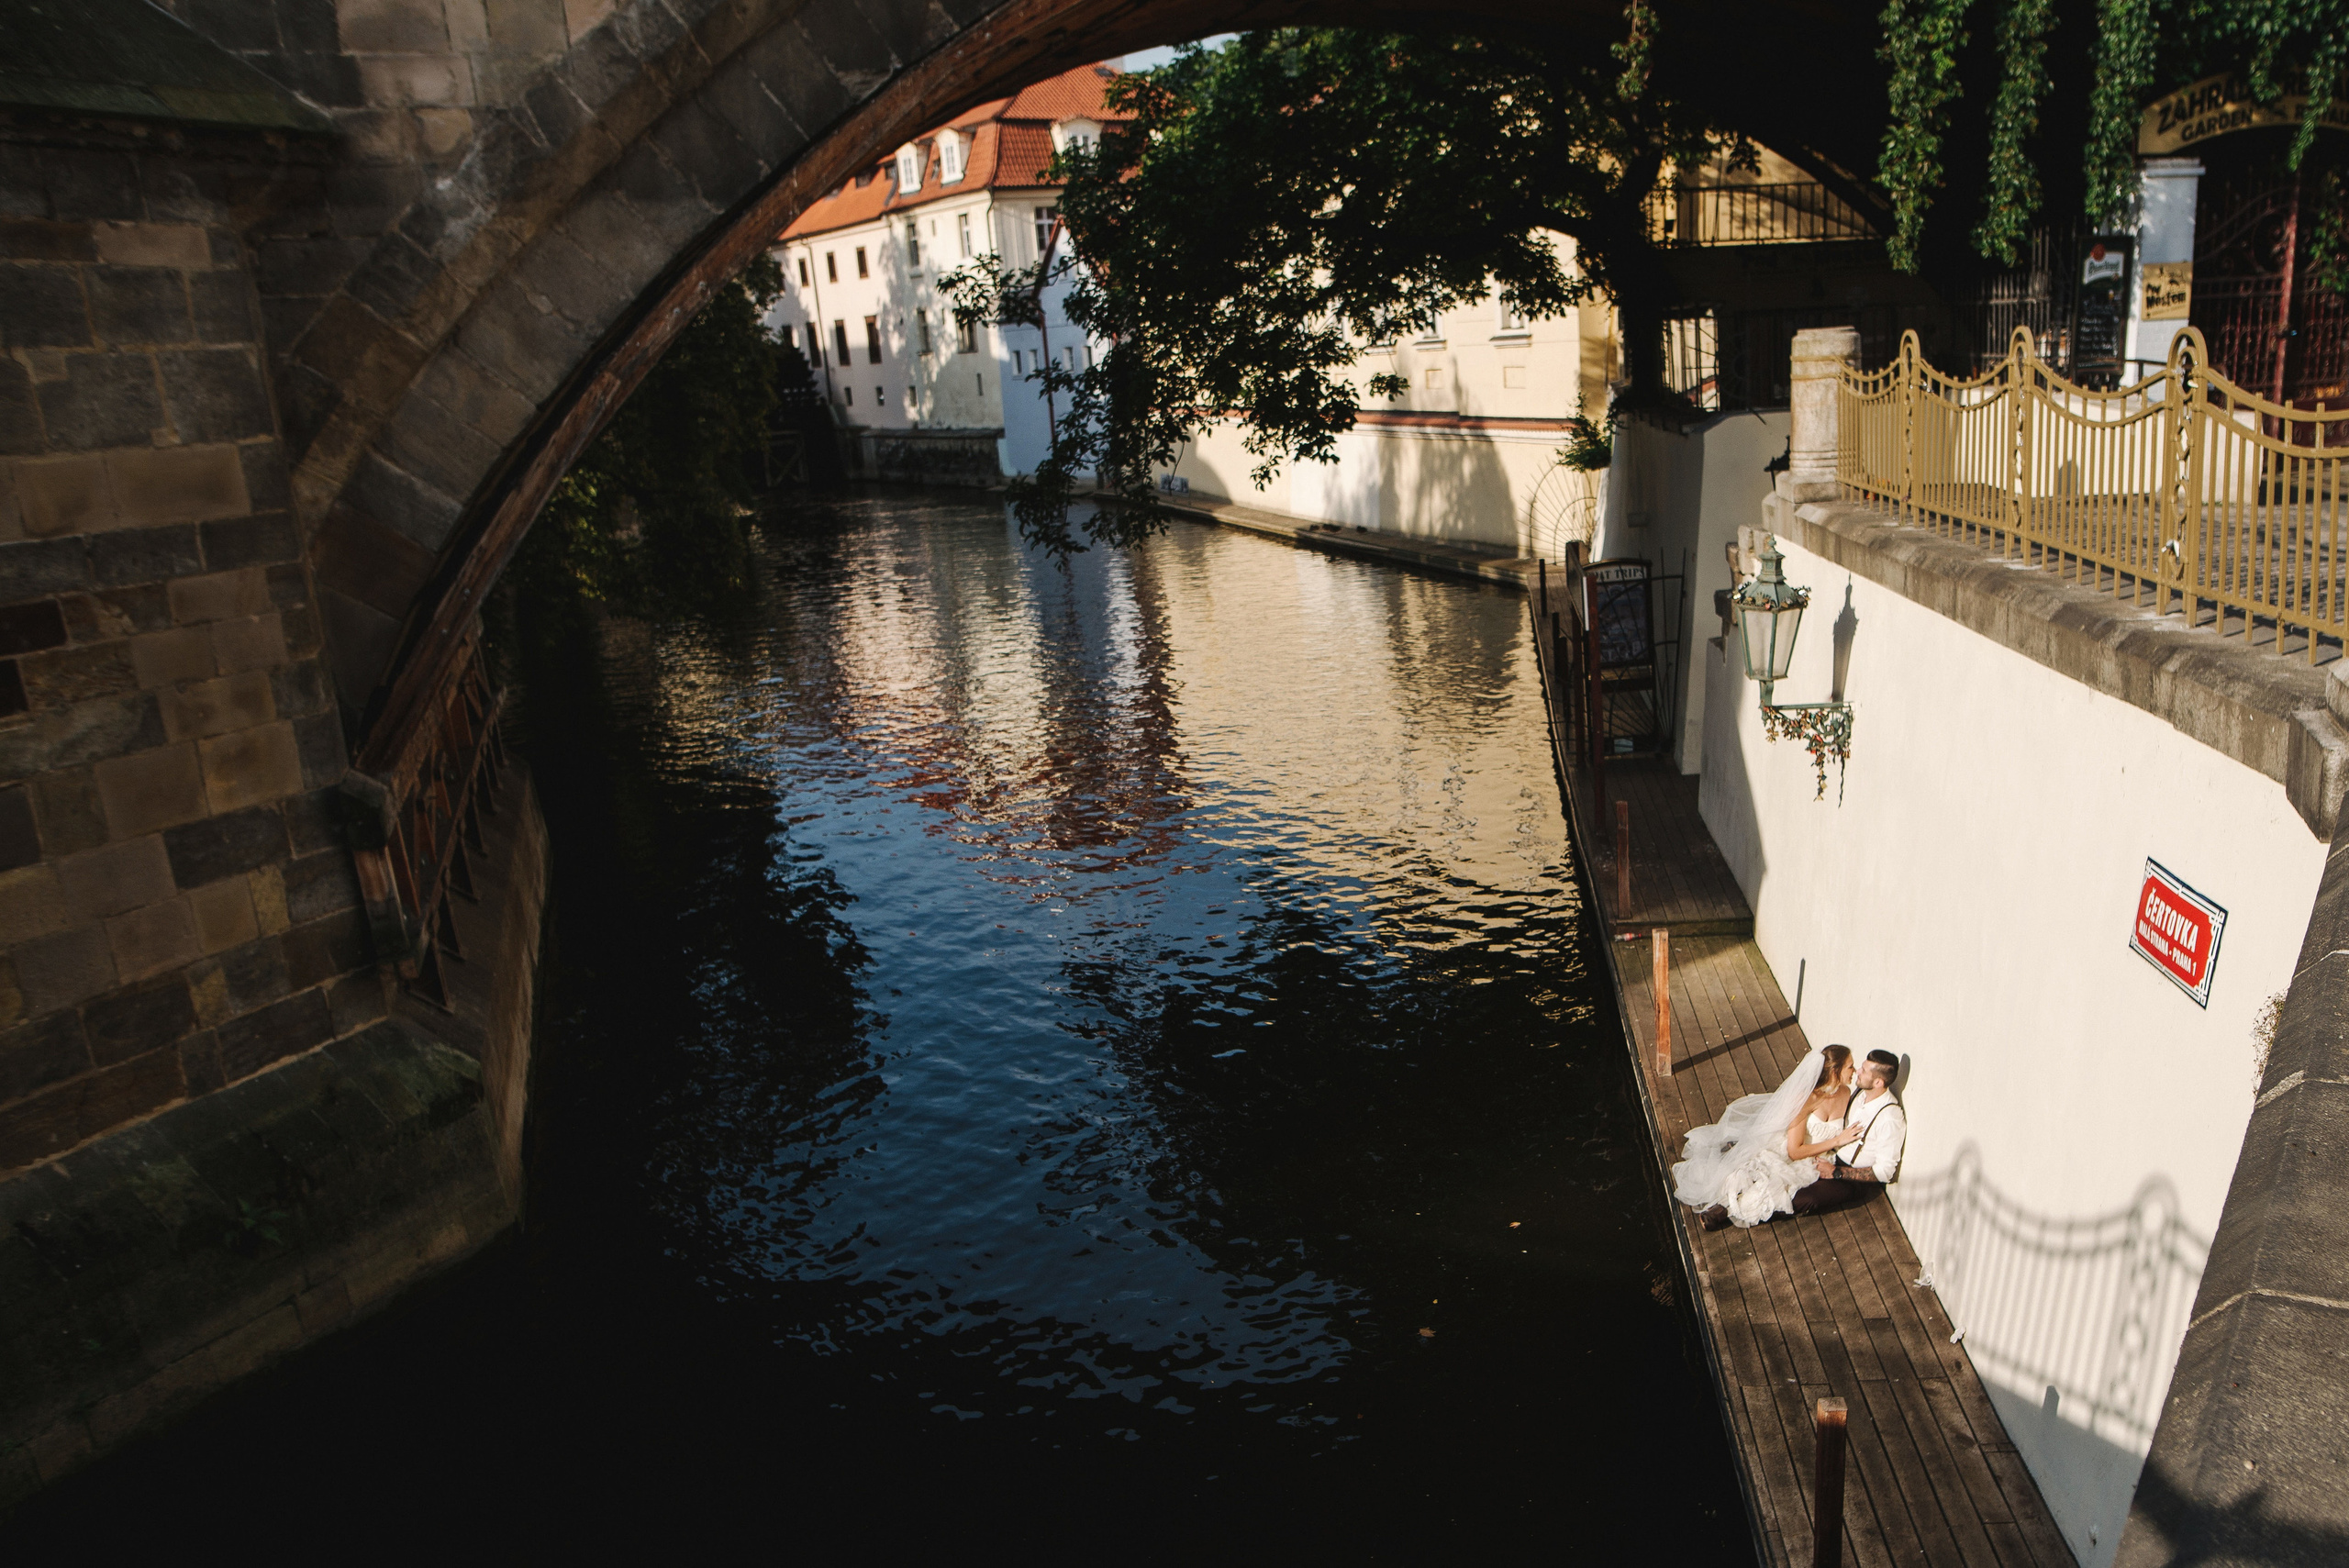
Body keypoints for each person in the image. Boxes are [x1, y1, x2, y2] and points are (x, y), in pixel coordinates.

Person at [1675, 1044, 1865, 1231]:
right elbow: (1794, 1151)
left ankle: (1726, 1209)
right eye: (1850, 1066)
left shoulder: (1846, 1093)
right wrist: (1837, 1141)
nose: (1854, 1071)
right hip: (1794, 1151)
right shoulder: (1806, 1098)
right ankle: (1722, 1206)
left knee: (1782, 1189)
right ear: (1835, 1070)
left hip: (1818, 1159)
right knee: (1762, 1176)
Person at [1788, 1049, 1903, 1216]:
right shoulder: (1857, 1093)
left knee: (1804, 1198)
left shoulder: (1889, 1118)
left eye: (1863, 1071)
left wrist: (1836, 1172)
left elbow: (1885, 1172)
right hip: (1828, 1156)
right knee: (1782, 1179)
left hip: (1850, 1178)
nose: (1857, 1071)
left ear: (1878, 1082)